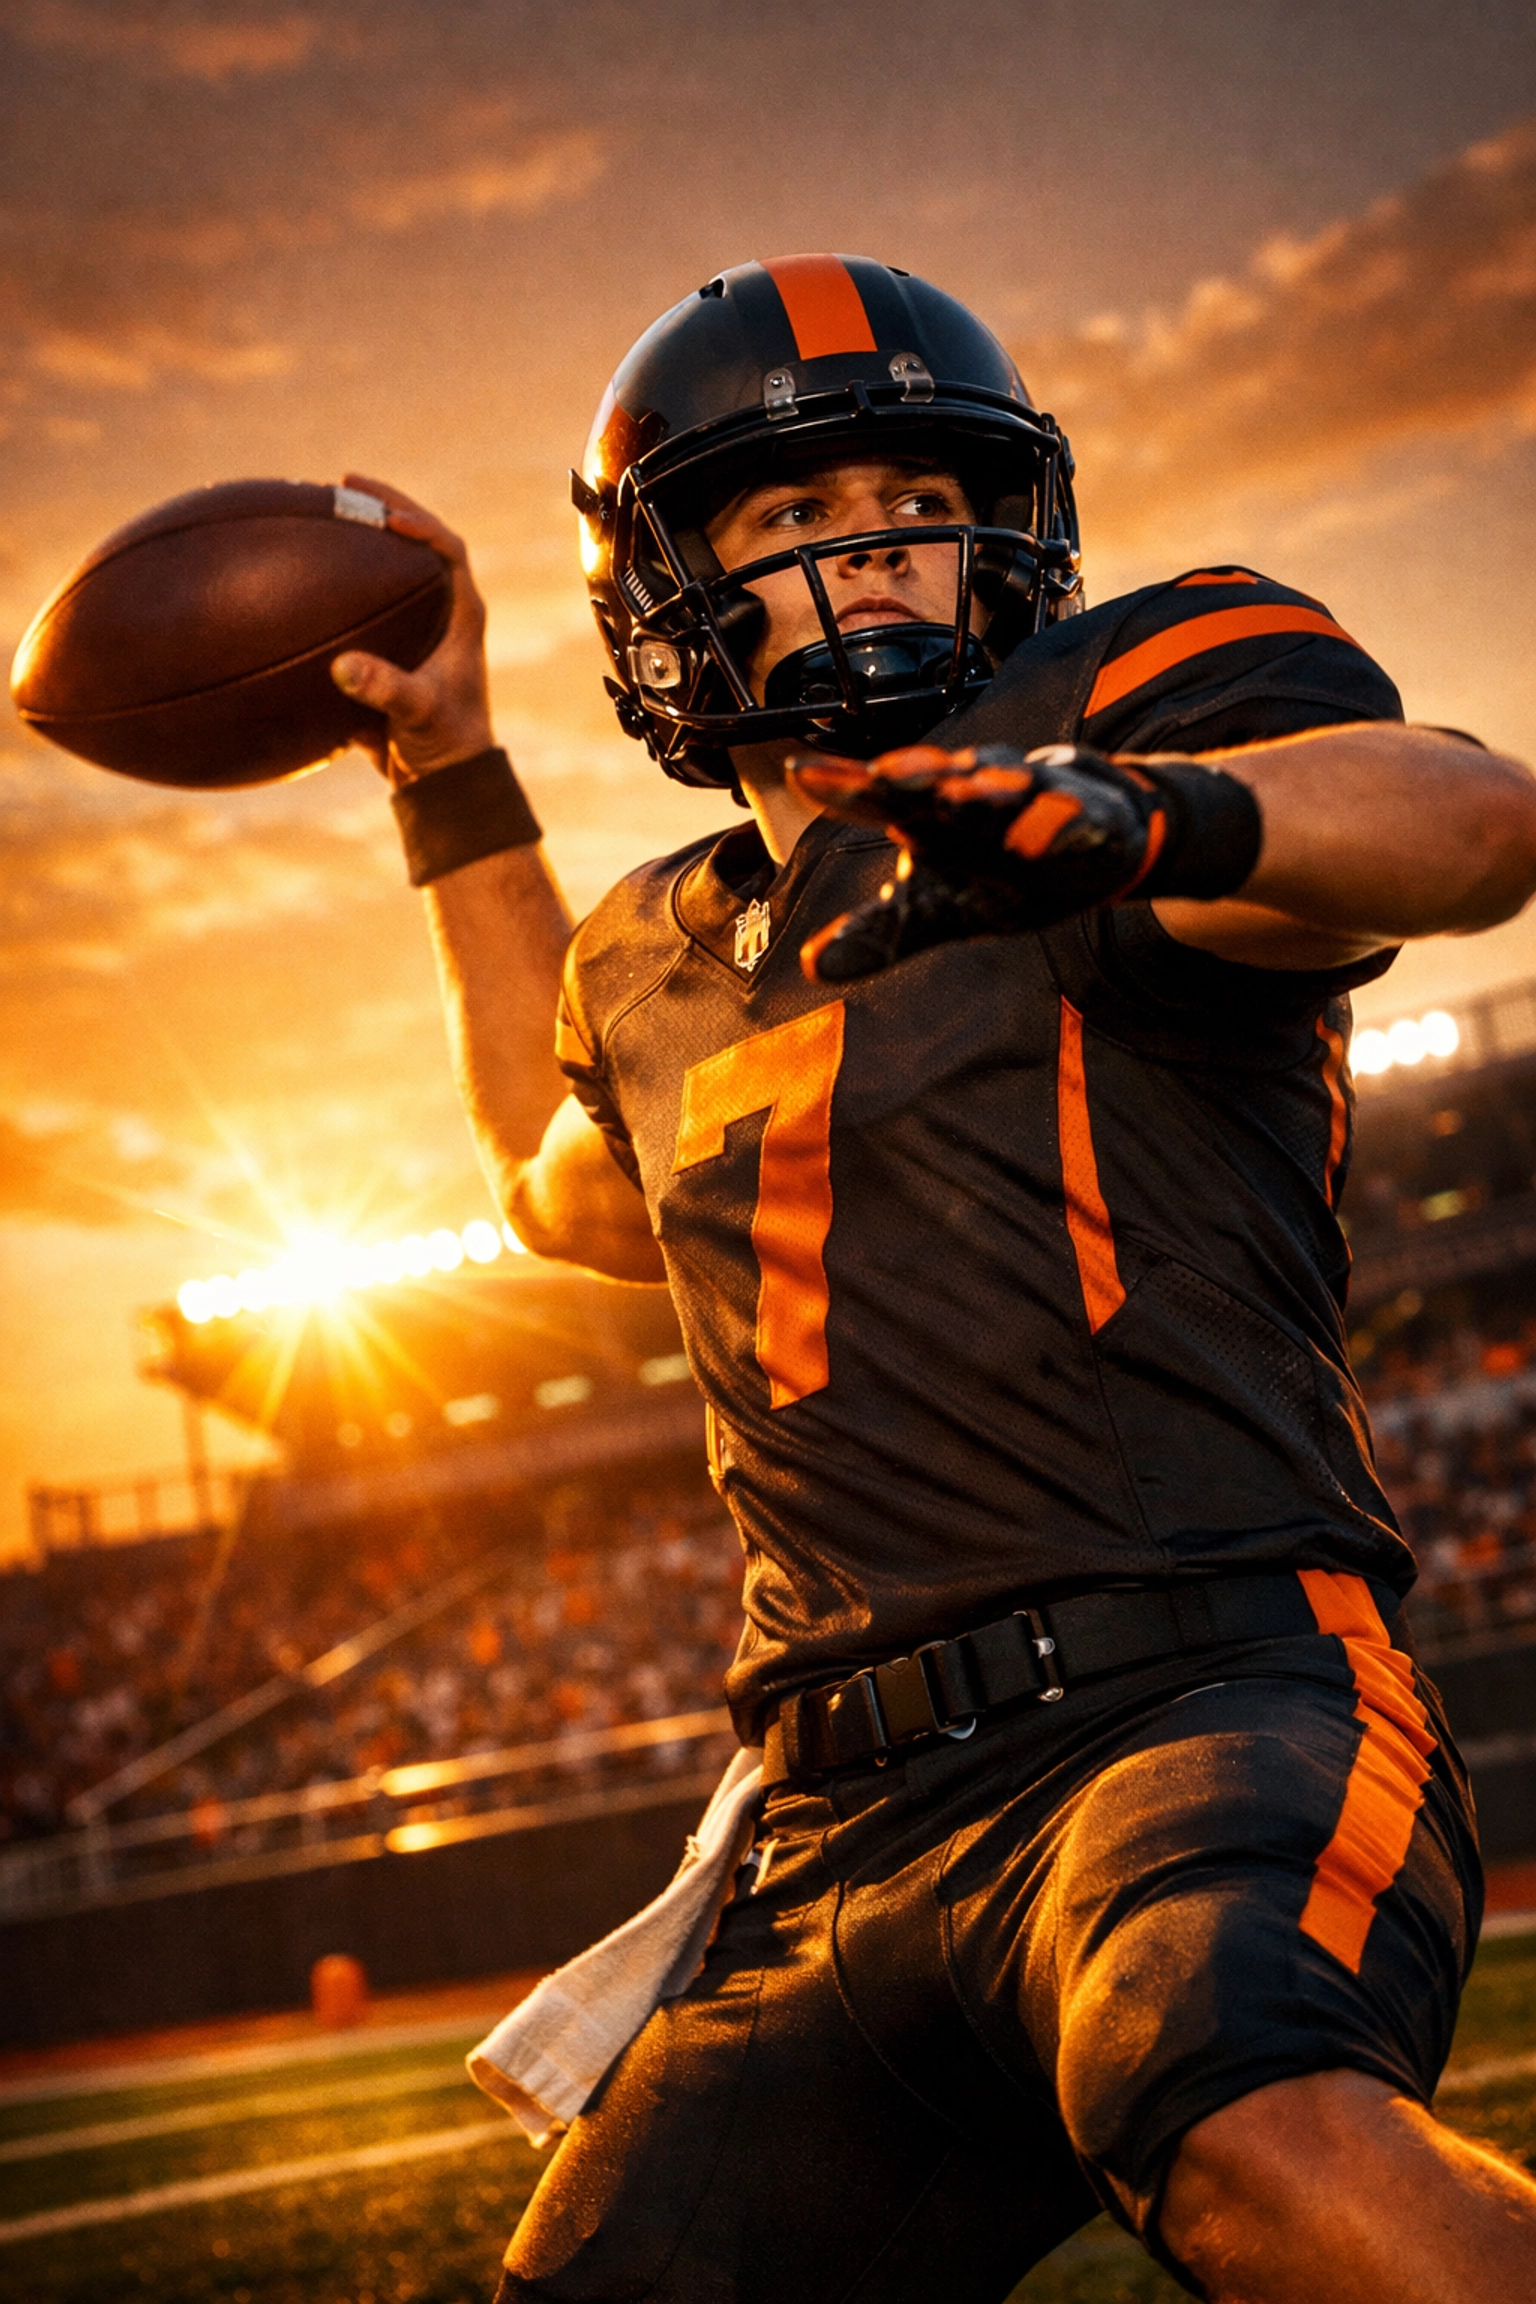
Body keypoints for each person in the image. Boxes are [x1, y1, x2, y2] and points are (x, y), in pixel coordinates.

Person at [330, 256, 1536, 2303]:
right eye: (793, 519)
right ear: (675, 594)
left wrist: (1140, 815)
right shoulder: (654, 951)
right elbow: (562, 1197)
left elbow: (1472, 821)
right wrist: (448, 772)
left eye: (912, 498)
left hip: (1203, 1695)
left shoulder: (1130, 714)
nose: (875, 550)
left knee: (1248, 2120)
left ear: (1010, 527)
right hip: (834, 1838)